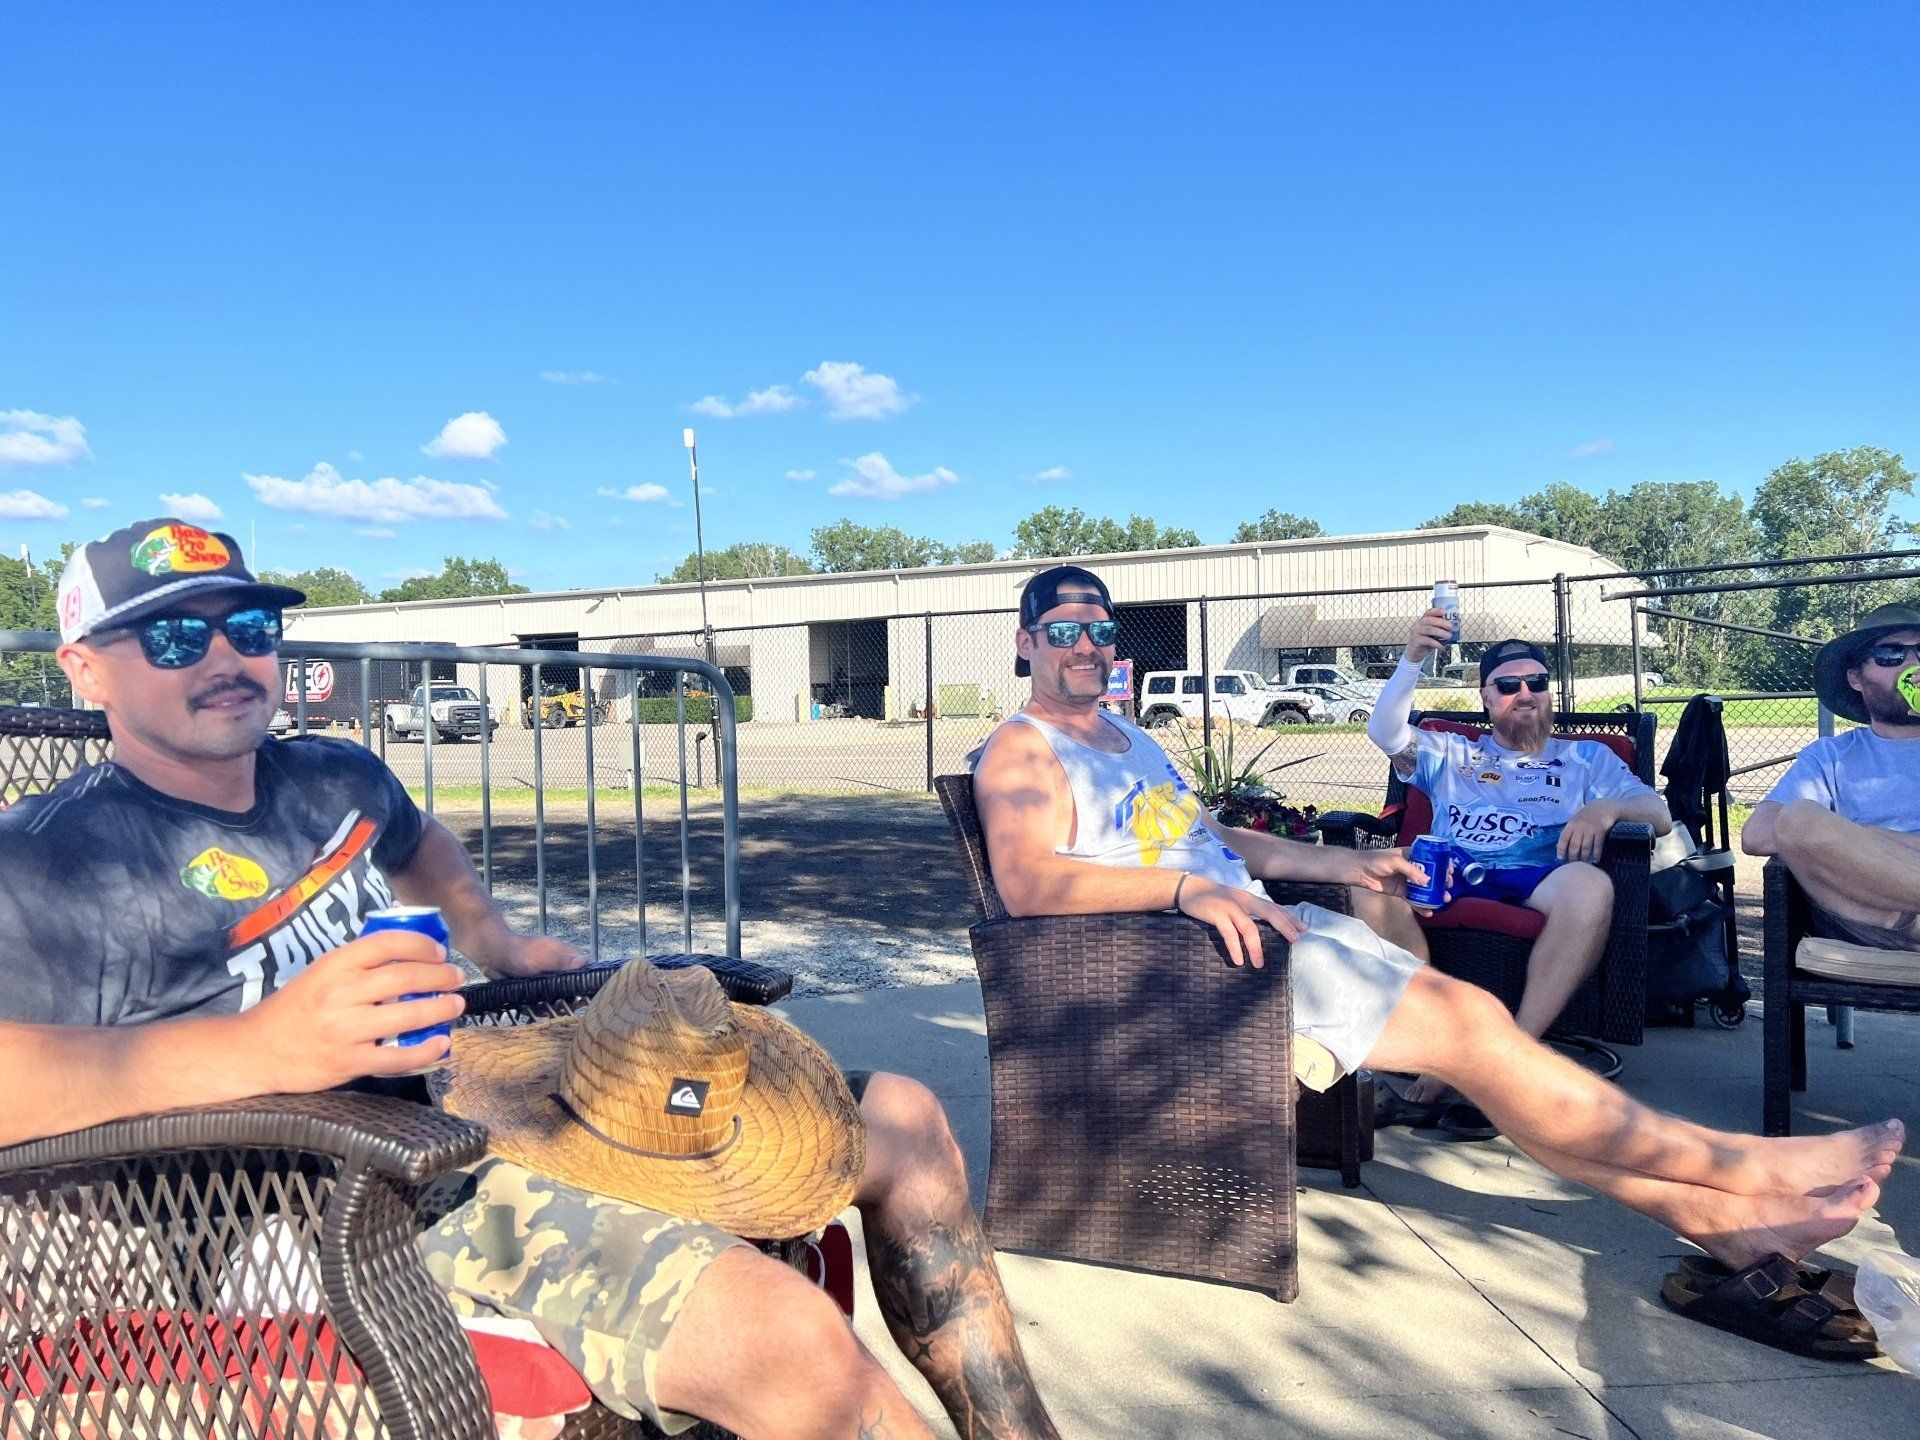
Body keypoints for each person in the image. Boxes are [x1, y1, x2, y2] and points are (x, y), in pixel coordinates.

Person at [3, 518, 1058, 1440]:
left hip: (464, 1108)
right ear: (87, 670)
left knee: (905, 1117)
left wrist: (495, 942)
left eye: (251, 628)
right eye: (177, 634)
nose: (227, 656)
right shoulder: (46, 861)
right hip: (312, 1208)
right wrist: (260, 1050)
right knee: (788, 1346)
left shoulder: (329, 772)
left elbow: (422, 847)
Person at [971, 563, 1903, 1296]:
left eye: (1100, 628)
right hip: (1178, 972)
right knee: (1475, 1035)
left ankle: (1727, 1220)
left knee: (1480, 1037)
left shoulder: (1130, 739)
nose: (1088, 645)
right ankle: (1736, 1168)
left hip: (1250, 936)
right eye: (1065, 631)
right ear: (1027, 644)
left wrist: (1344, 864)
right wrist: (1182, 898)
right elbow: (1026, 883)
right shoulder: (1023, 746)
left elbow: (1203, 837)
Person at [1365, 609, 1675, 1104]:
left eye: (1536, 682)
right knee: (1368, 888)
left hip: (1539, 874)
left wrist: (1606, 808)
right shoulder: (1452, 752)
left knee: (1591, 887)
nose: (1524, 693)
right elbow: (1384, 732)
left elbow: (1658, 813)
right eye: (1507, 685)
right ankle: (1446, 1043)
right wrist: (1412, 658)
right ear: (1486, 698)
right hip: (1452, 871)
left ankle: (1510, 1056)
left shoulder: (1586, 758)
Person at [1741, 604, 1920, 956]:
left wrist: (1866, 841)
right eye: (1890, 654)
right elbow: (1758, 834)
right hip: (1875, 922)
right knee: (1798, 819)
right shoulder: (1831, 757)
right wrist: (1891, 843)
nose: (1913, 666)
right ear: (1855, 678)